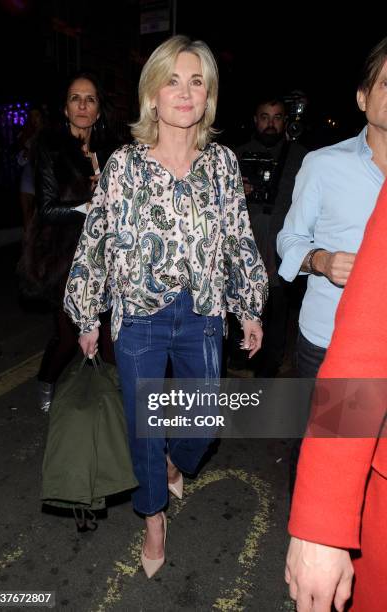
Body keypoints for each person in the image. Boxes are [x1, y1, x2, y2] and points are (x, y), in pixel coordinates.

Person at [63, 35, 268, 578]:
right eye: (172, 80)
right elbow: (97, 240)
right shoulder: (125, 164)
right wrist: (88, 315)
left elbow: (238, 237)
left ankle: (174, 463)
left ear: (208, 96)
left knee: (201, 423)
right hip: (139, 316)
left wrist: (248, 306)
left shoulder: (222, 163)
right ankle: (153, 518)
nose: (184, 92)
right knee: (144, 428)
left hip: (202, 311)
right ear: (152, 93)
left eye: (196, 81)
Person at [277, 36, 387, 493]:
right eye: (386, 84)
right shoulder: (324, 165)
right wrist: (321, 261)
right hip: (332, 341)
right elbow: (288, 241)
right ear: (363, 98)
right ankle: (310, 547)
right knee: (328, 455)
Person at [285, 178, 387, 612]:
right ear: (362, 102)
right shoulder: (326, 163)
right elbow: (365, 351)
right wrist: (321, 521)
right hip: (322, 340)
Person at [19, 71, 117, 411]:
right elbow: (45, 208)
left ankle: (110, 409)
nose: (82, 105)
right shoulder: (50, 148)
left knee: (108, 337)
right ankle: (46, 381)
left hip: (103, 257)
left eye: (90, 99)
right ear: (65, 108)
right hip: (63, 255)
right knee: (66, 337)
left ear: (98, 110)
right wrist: (89, 205)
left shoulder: (110, 151)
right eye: (76, 98)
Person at [228, 96, 307, 376]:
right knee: (242, 303)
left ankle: (269, 368)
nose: (270, 123)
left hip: (282, 244)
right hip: (246, 244)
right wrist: (237, 191)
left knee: (277, 308)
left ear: (285, 121)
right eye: (264, 116)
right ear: (255, 120)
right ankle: (240, 360)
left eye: (276, 117)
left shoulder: (300, 157)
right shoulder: (235, 156)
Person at [16, 107, 45, 233]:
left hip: (43, 178)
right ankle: (27, 247)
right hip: (27, 177)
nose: (34, 119)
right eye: (32, 116)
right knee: (27, 216)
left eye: (36, 115)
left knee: (39, 215)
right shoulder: (26, 133)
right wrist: (27, 152)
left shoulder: (47, 133)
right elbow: (20, 160)